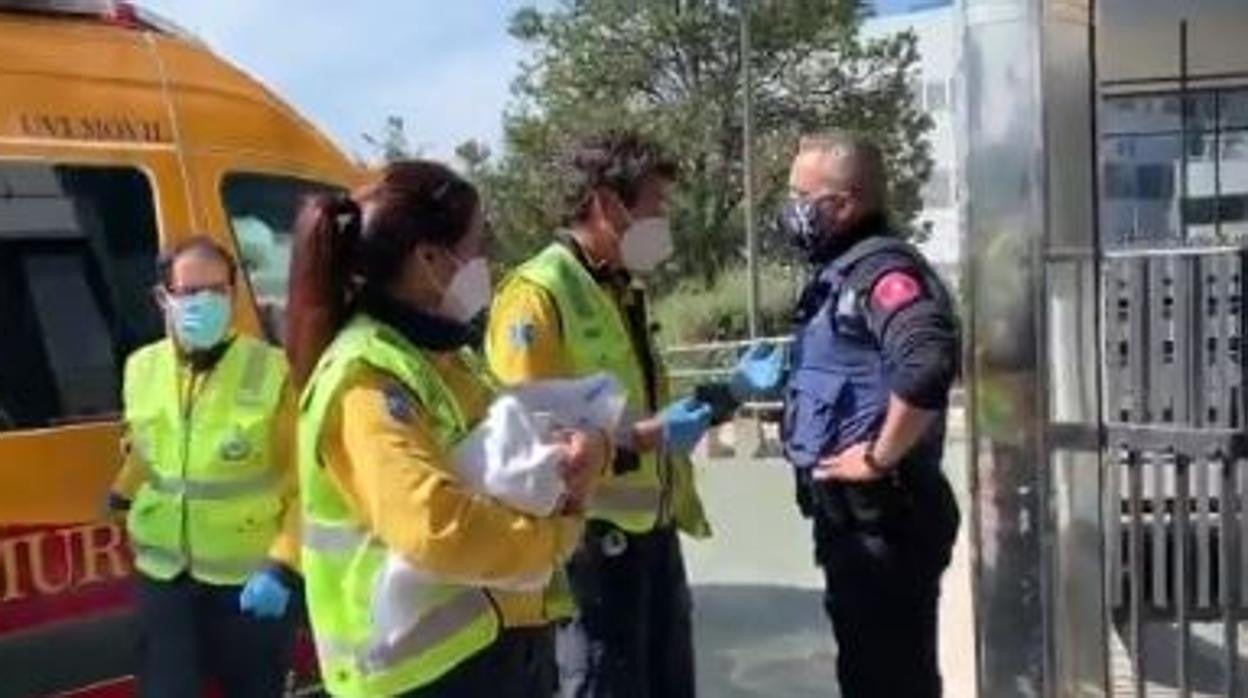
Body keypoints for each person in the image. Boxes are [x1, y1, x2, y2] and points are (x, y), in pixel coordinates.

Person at [287, 160, 611, 698]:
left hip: (492, 650)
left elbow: (510, 440)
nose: (488, 259)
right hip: (422, 674)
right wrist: (557, 536)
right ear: (430, 260)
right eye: (479, 243)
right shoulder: (363, 379)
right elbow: (432, 525)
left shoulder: (442, 355)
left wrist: (586, 449)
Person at [485, 131, 715, 698]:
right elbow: (527, 441)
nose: (663, 219)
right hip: (591, 547)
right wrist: (640, 439)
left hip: (651, 536)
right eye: (654, 206)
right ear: (608, 206)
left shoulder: (620, 288)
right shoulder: (538, 295)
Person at [759, 132, 962, 697]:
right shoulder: (842, 274)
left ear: (844, 203)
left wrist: (876, 456)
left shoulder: (881, 273)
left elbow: (926, 363)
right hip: (859, 523)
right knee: (876, 674)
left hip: (886, 519)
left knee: (890, 680)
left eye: (802, 194)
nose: (790, 207)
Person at [109, 236, 299, 698]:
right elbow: (145, 450)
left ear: (234, 295)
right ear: (163, 298)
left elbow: (307, 487)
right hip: (164, 579)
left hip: (250, 586)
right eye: (190, 292)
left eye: (217, 291)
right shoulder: (140, 368)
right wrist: (121, 494)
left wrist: (283, 565)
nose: (206, 303)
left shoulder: (273, 371)